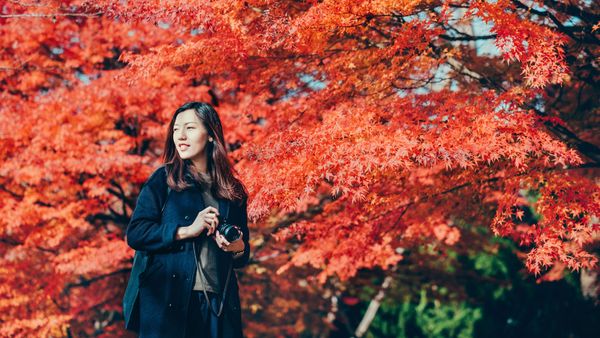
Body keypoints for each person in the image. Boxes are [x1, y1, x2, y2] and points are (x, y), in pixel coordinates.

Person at [126, 101, 250, 338]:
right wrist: (186, 230)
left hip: (219, 305)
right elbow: (136, 233)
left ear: (211, 135)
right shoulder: (164, 178)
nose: (180, 136)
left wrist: (238, 247)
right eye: (175, 129)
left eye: (190, 128)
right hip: (169, 302)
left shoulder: (232, 190)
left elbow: (243, 254)